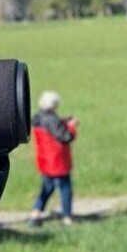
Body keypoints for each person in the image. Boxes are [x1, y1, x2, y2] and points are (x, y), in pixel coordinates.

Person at [28, 91, 78, 227]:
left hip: (45, 161)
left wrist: (63, 121)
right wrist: (72, 126)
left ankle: (36, 213)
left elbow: (52, 127)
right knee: (65, 190)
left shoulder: (38, 117)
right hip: (58, 162)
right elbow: (66, 137)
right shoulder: (52, 120)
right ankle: (67, 218)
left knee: (47, 188)